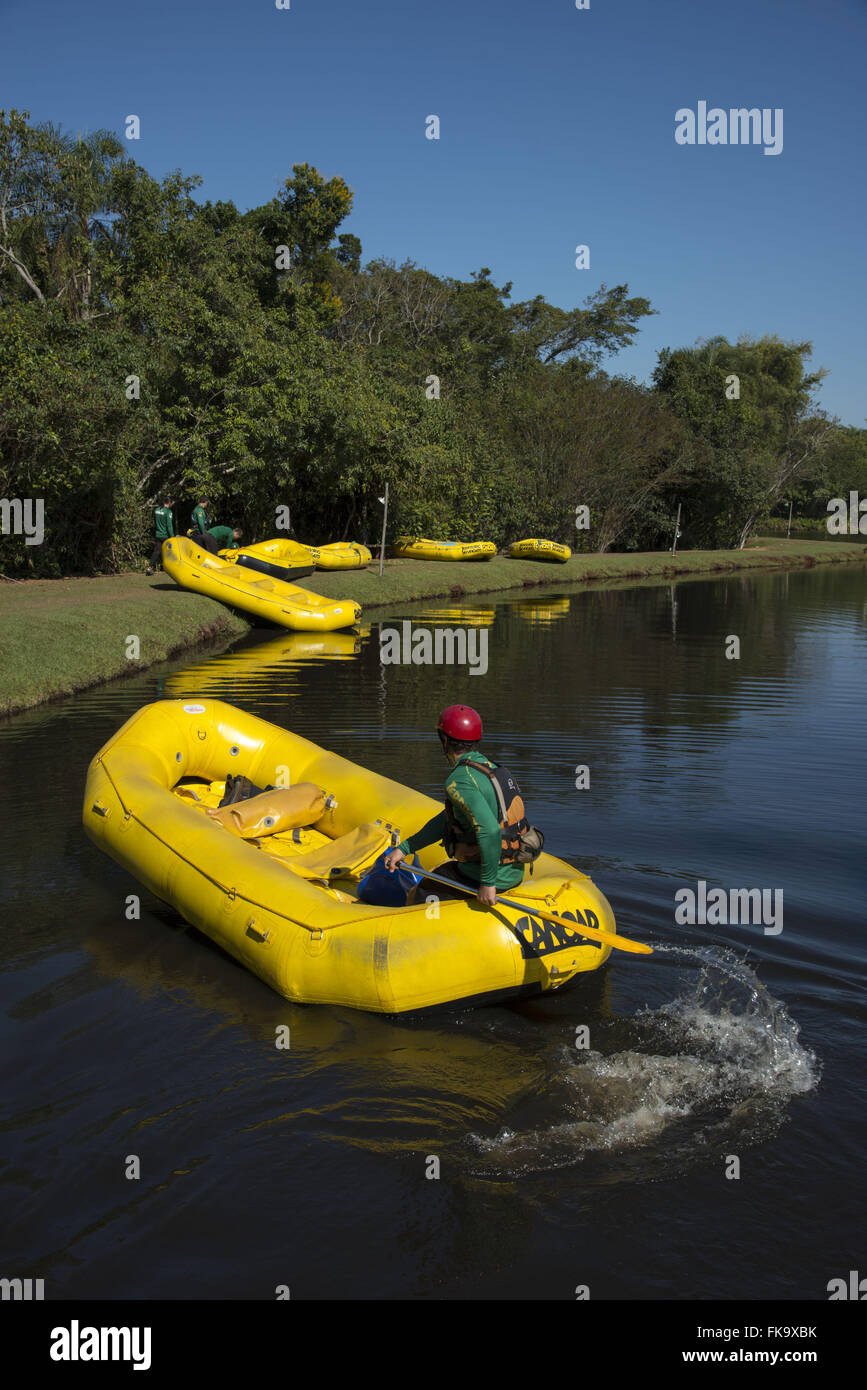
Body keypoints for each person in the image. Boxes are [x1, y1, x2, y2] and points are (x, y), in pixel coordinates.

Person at [384, 705, 543, 906]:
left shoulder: (460, 779)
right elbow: (449, 819)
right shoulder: (495, 770)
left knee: (416, 893)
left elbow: (490, 830)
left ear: (444, 740)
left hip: (486, 877)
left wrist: (487, 883)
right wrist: (405, 848)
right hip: (514, 872)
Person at [146, 497, 174, 575]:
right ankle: (170, 568)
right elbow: (169, 526)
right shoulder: (168, 512)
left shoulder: (156, 510)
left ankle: (149, 568)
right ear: (169, 503)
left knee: (157, 551)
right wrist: (172, 537)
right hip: (165, 535)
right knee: (169, 552)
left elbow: (155, 521)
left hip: (158, 534)